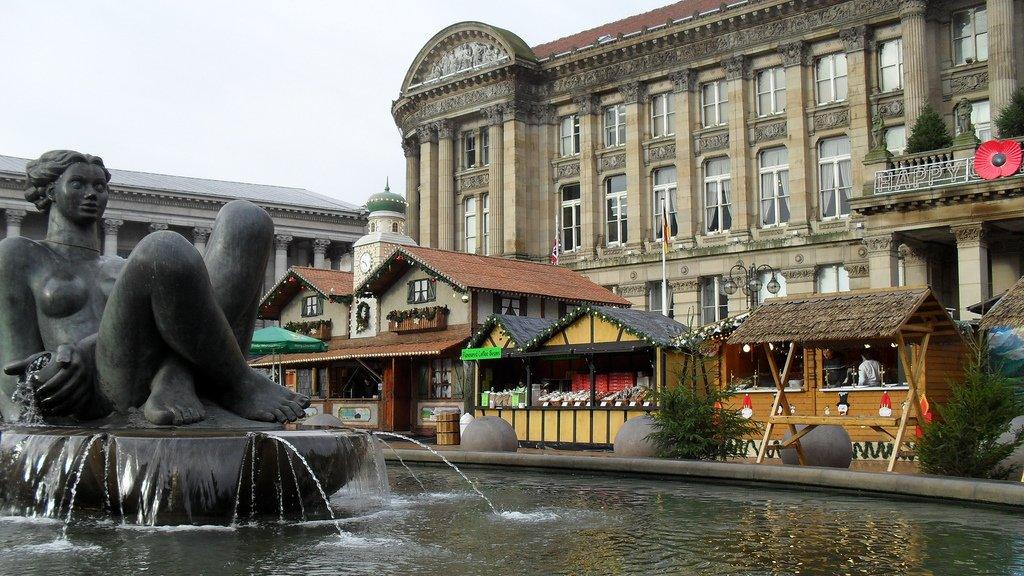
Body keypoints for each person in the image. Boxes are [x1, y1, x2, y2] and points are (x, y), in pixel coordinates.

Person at [0, 150, 309, 426]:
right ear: (50, 190)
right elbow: (14, 388)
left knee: (247, 219)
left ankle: (176, 375)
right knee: (161, 249)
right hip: (93, 391)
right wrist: (59, 364)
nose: (92, 194)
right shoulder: (20, 255)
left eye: (100, 187)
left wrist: (87, 346)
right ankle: (236, 382)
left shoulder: (120, 268)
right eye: (78, 184)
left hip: (148, 370)